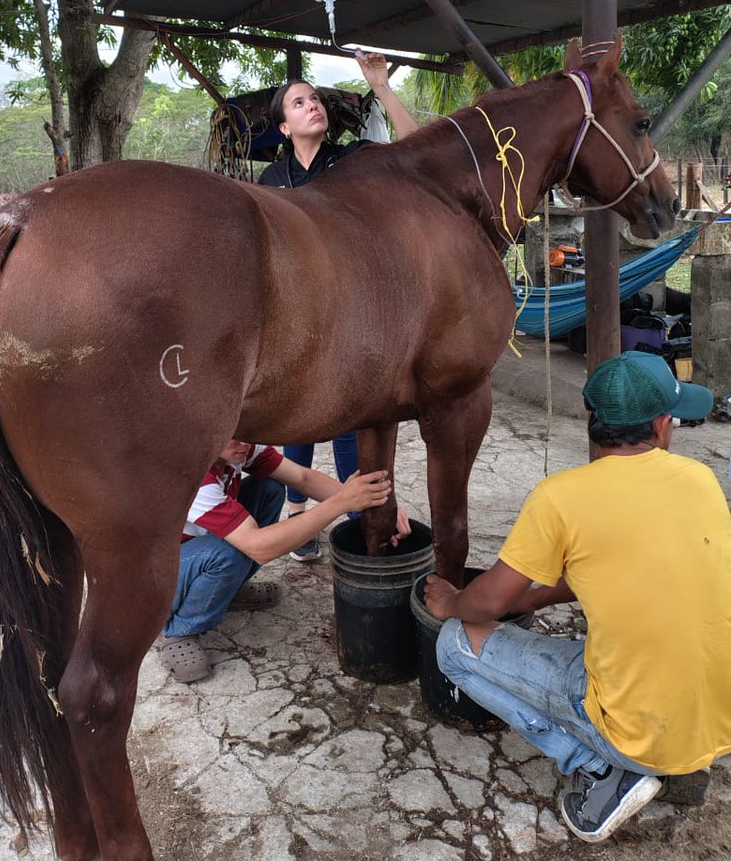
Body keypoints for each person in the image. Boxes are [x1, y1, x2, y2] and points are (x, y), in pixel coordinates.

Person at [423, 350, 730, 844]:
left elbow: (485, 604)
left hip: (641, 732)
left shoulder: (561, 496)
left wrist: (449, 603)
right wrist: (533, 599)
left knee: (453, 645)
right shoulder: (701, 480)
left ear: (593, 422)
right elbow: (617, 568)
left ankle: (602, 769)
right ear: (659, 426)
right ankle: (682, 764)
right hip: (718, 714)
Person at [258, 51, 420, 559]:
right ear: (284, 126)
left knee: (353, 412)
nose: (313, 106)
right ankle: (299, 514)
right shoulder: (268, 182)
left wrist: (381, 86)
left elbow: (416, 146)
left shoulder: (351, 160)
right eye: (299, 103)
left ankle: (361, 513)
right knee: (297, 413)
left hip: (352, 312)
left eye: (316, 99)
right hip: (293, 314)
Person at [159, 438, 411, 683]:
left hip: (189, 553)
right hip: (155, 581)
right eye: (235, 438)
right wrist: (340, 504)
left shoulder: (238, 445)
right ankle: (180, 631)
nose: (245, 443)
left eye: (248, 433)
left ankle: (223, 591)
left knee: (269, 490)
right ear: (210, 431)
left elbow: (303, 478)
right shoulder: (191, 474)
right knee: (231, 551)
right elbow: (258, 547)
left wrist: (375, 505)